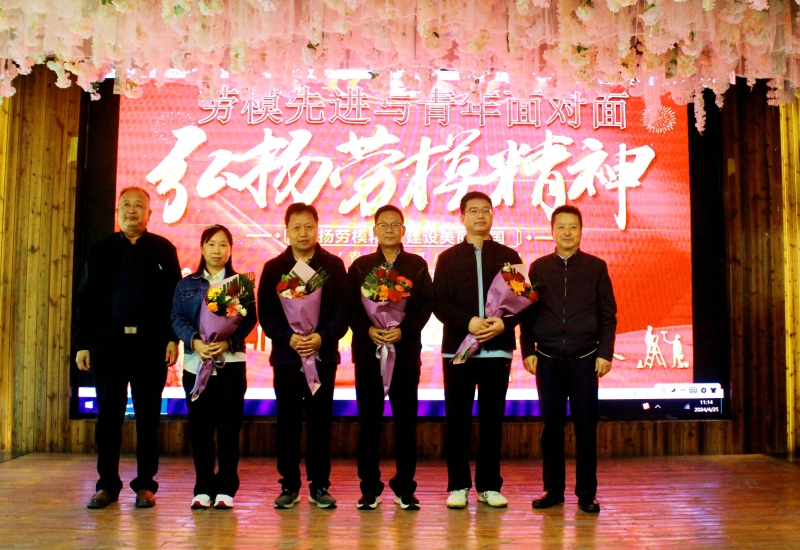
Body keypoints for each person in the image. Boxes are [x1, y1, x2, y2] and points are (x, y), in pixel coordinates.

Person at [75, 186, 181, 509]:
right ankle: (107, 485)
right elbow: (86, 300)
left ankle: (145, 485)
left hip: (150, 346)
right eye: (125, 205)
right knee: (108, 418)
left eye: (138, 205)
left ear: (149, 213)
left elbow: (175, 299)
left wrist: (172, 338)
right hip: (110, 345)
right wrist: (82, 344)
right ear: (117, 211)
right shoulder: (100, 250)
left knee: (148, 418)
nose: (131, 210)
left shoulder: (164, 250)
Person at [521, 204, 617, 514]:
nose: (567, 232)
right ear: (552, 231)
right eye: (561, 226)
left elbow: (608, 315)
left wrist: (604, 353)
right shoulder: (538, 268)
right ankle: (553, 489)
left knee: (586, 426)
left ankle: (587, 493)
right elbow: (527, 313)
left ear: (581, 231)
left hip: (585, 360)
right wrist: (527, 350)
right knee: (551, 427)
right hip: (548, 359)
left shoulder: (596, 267)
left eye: (573, 226)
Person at [433, 191, 524, 509]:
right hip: (458, 351)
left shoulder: (509, 255)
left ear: (492, 215)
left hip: (497, 350)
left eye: (486, 210)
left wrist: (504, 324)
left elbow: (523, 301)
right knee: (457, 419)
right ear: (462, 217)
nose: (480, 216)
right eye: (473, 211)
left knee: (492, 420)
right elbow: (438, 302)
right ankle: (458, 485)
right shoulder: (448, 258)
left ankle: (489, 485)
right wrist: (469, 322)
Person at [257, 203, 349, 509]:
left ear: (318, 228)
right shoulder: (274, 268)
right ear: (286, 231)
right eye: (296, 227)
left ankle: (320, 485)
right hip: (287, 358)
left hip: (323, 358)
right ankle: (289, 484)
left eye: (309, 226)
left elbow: (342, 310)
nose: (303, 233)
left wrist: (322, 337)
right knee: (288, 423)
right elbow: (267, 313)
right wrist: (289, 337)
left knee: (321, 423)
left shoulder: (333, 266)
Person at [348, 205, 434, 511]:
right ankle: (369, 488)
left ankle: (405, 487)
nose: (388, 229)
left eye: (394, 224)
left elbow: (425, 305)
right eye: (383, 225)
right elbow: (350, 307)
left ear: (403, 230)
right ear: (374, 230)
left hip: (405, 353)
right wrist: (368, 330)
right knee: (368, 423)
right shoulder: (360, 267)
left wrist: (403, 331)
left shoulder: (416, 265)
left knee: (406, 423)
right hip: (369, 354)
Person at [171, 225, 257, 510]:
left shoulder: (238, 284)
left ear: (230, 250)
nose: (217, 250)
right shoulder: (187, 285)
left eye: (222, 245)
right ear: (202, 248)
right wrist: (195, 341)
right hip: (196, 366)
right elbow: (177, 318)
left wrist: (227, 341)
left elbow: (248, 320)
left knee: (229, 430)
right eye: (211, 244)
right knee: (200, 431)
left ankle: (226, 488)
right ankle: (203, 487)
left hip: (230, 364)